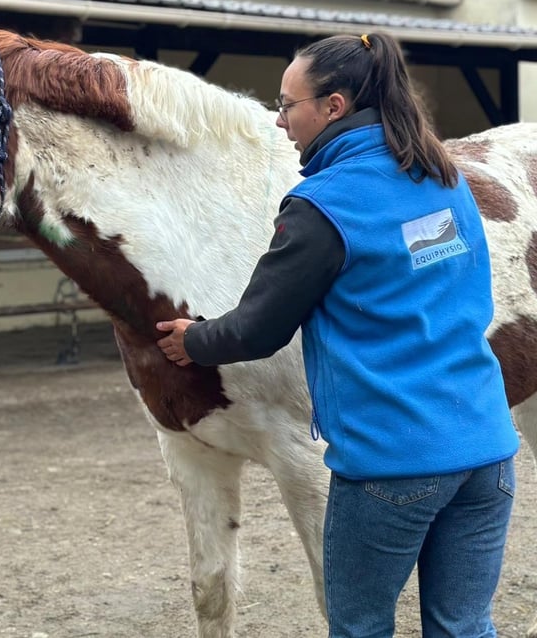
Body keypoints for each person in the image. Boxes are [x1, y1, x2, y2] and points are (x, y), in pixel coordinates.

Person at [156, 32, 519, 637]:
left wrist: (193, 340)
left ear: (334, 106)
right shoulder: (444, 178)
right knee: (464, 627)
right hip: (487, 451)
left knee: (360, 627)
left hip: (392, 464)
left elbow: (259, 328)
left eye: (286, 104)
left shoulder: (322, 205)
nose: (279, 121)